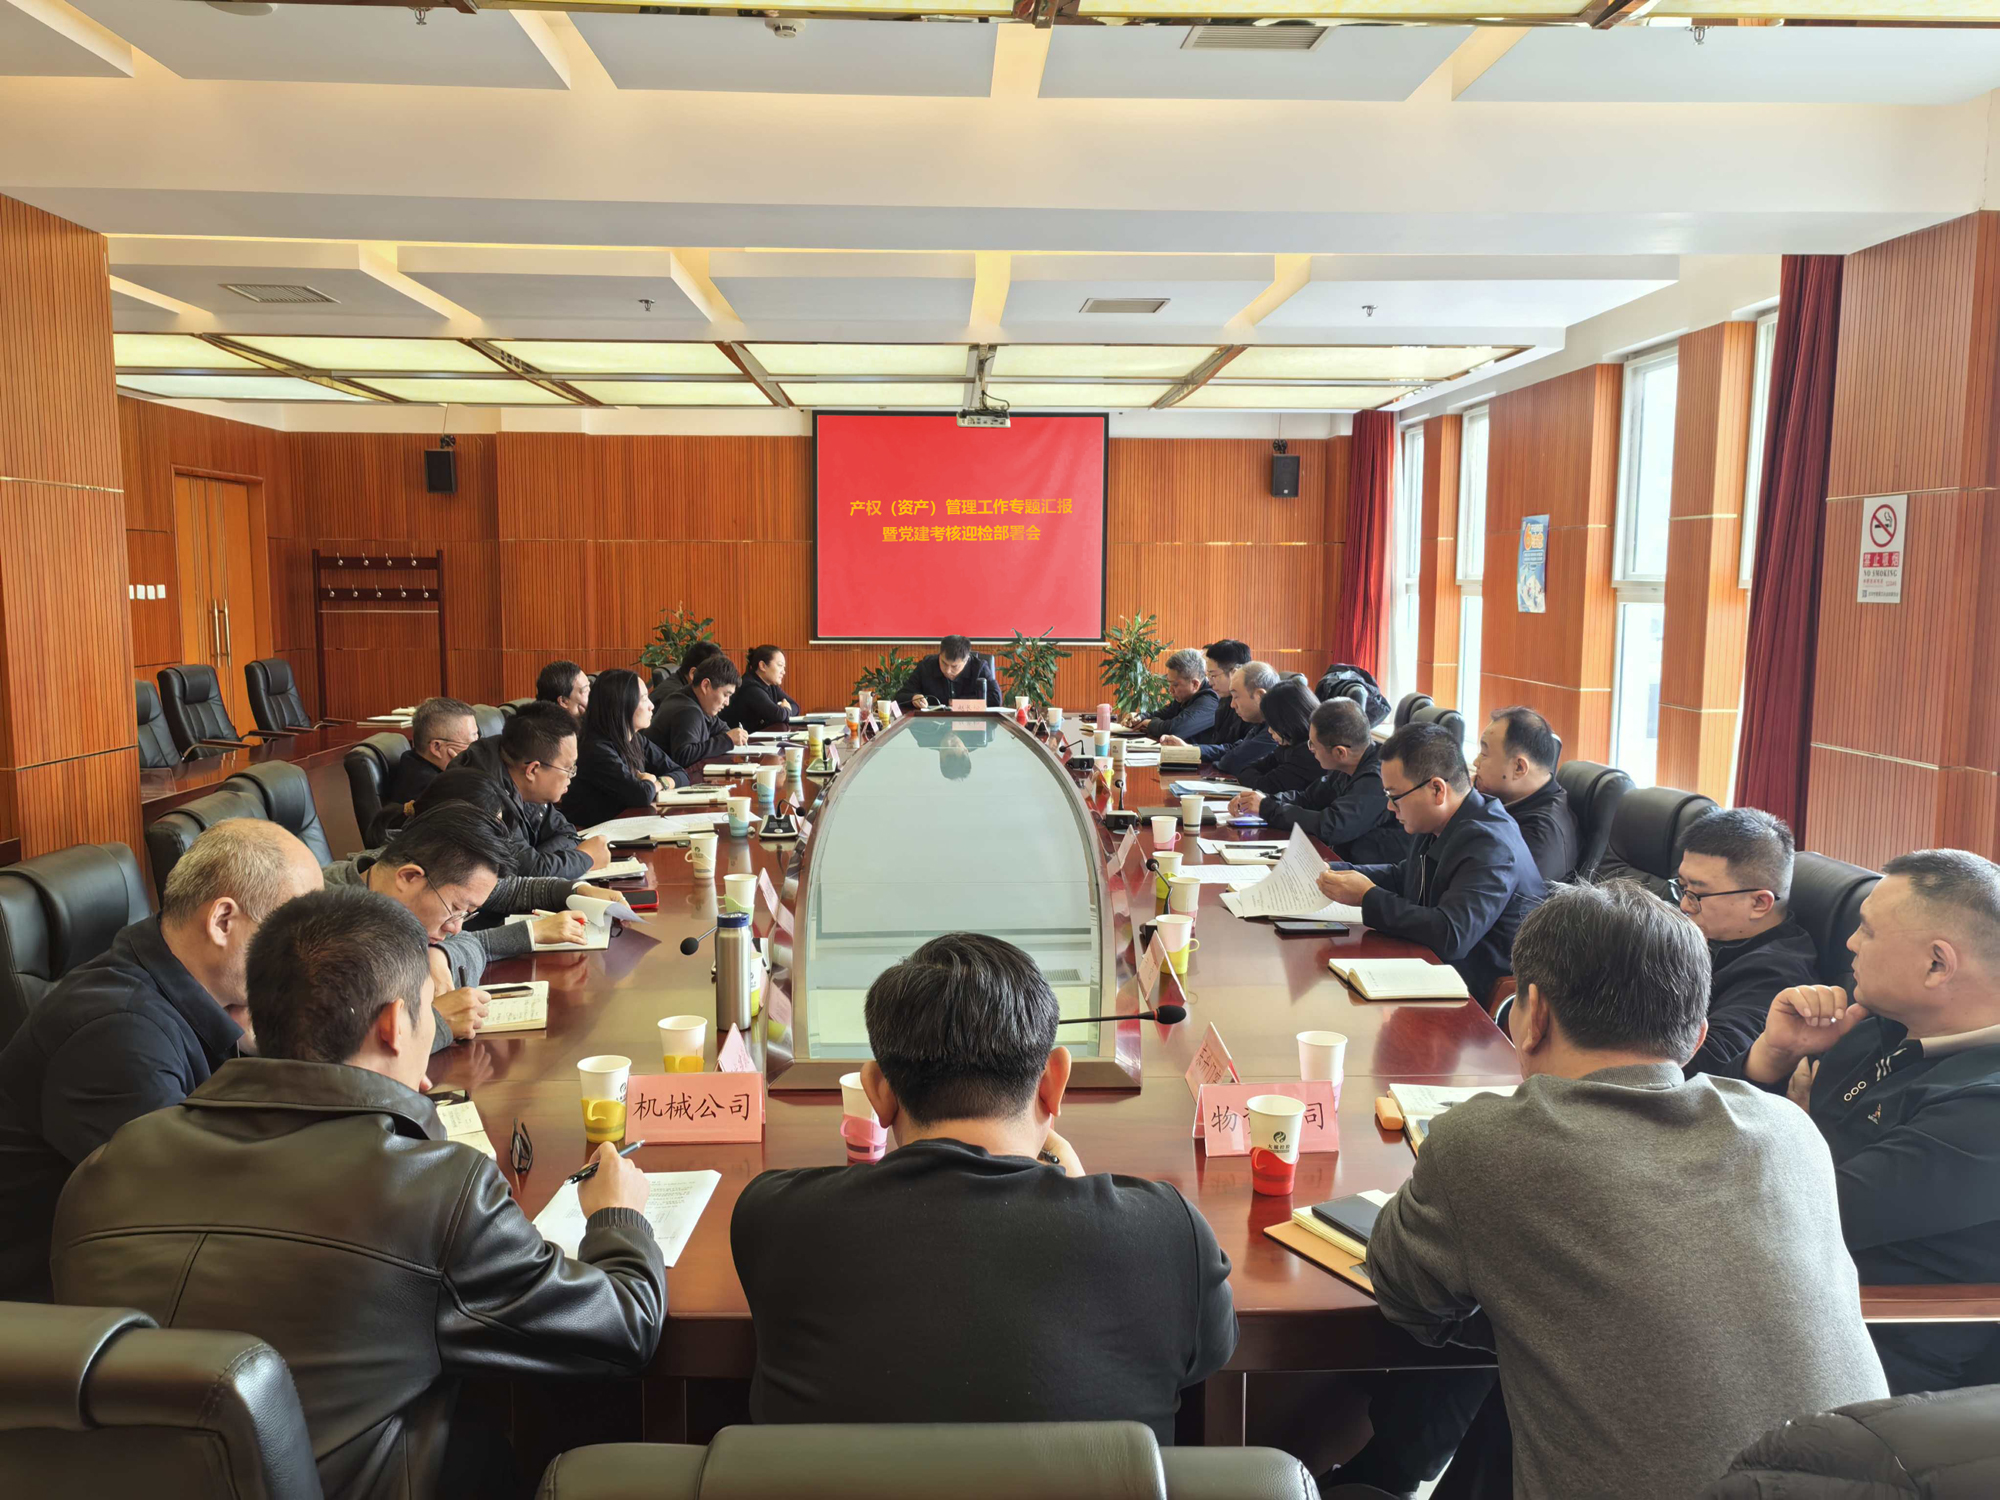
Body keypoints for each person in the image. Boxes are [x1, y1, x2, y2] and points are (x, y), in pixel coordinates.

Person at [52, 888, 667, 1500]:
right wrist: (617, 1216)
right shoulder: (435, 1189)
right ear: (395, 1025)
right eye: (428, 1011)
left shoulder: (108, 1165)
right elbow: (623, 1328)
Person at [1343, 881, 1885, 1500]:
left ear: (1533, 1015)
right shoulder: (1790, 1130)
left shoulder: (1488, 1141)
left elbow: (1406, 1295)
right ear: (1697, 1035)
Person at [731, 932, 1236, 1441]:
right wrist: (1082, 1197)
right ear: (1054, 1082)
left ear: (878, 1091)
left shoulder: (773, 1220)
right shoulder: (1168, 1237)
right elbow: (1211, 1353)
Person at [0, 820, 323, 1301]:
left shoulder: (193, 981)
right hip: (56, 1313)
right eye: (293, 936)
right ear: (222, 921)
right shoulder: (119, 1034)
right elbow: (196, 1222)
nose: (303, 960)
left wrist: (271, 1043)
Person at [1715, 849, 2000, 1394]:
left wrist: (1790, 1127)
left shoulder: (1986, 1109)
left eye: (1867, 930)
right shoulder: (1873, 1027)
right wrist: (1771, 1060)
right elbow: (1721, 1144)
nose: (1849, 943)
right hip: (1773, 1284)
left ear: (1937, 964)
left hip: (1866, 1344)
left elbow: (1799, 1215)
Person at [322, 803, 599, 1044]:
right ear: (409, 877)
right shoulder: (325, 926)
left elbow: (467, 941)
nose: (456, 927)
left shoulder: (404, 882)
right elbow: (344, 1054)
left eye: (466, 913)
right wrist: (435, 1025)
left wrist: (440, 954)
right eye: (455, 910)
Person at [1316, 723, 1545, 1003]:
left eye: (1394, 796)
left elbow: (1452, 935)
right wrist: (1336, 871)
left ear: (1437, 790)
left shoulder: (1490, 843)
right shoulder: (1440, 821)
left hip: (1475, 996)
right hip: (1431, 969)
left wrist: (1367, 897)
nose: (1390, 807)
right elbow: (1406, 875)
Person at [1673, 808, 1820, 1078]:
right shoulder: (1713, 933)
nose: (1684, 904)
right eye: (1683, 887)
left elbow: (1703, 1063)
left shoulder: (1776, 977)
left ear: (1759, 903)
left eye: (1697, 894)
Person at [1230, 698, 1408, 864]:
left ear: (1340, 752)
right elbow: (1308, 799)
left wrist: (1267, 809)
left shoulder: (1378, 779)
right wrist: (1261, 801)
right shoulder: (1347, 766)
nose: (1310, 750)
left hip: (1368, 870)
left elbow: (1332, 826)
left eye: (1313, 744)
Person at [455, 703, 607, 880]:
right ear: (533, 770)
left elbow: (567, 834)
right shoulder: (481, 796)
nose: (572, 775)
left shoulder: (518, 775)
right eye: (568, 768)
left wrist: (541, 861)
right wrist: (586, 858)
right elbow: (523, 873)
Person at [563, 666, 690, 828]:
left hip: (624, 826)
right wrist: (650, 783)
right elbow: (641, 795)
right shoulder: (596, 749)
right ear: (622, 705)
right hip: (594, 834)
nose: (651, 705)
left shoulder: (634, 738)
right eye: (643, 699)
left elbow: (681, 774)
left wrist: (657, 783)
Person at [1471, 706, 1577, 884]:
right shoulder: (1513, 799)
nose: (1476, 762)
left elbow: (1491, 890)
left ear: (1519, 768)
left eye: (1484, 754)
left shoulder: (1540, 836)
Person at [375, 696, 478, 841]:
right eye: (471, 743)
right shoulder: (430, 790)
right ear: (437, 747)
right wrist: (464, 777)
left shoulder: (415, 760)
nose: (477, 750)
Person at [1167, 661, 1279, 775]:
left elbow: (1231, 762)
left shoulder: (1277, 730)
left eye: (1236, 697)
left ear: (1259, 696)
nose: (1232, 705)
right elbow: (1233, 749)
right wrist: (1189, 750)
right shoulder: (1262, 723)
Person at [651, 652, 749, 765]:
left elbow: (722, 729)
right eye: (725, 695)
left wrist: (728, 737)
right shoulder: (687, 710)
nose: (727, 703)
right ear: (705, 685)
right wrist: (727, 740)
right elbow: (684, 756)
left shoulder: (698, 701)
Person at [1234, 678, 1321, 796]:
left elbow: (1264, 786)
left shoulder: (1309, 753)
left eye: (1273, 724)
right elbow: (1245, 769)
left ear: (1289, 720)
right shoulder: (1287, 746)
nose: (1269, 730)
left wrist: (1255, 777)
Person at [1133, 648, 1219, 740]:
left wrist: (1150, 724)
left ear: (1195, 684)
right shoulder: (1185, 696)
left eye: (1175, 685)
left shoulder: (1210, 700)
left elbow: (1175, 730)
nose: (1170, 690)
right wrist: (1140, 717)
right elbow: (1165, 714)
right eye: (1169, 683)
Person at [899, 634, 1002, 710]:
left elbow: (996, 699)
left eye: (954, 666)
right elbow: (901, 696)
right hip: (934, 727)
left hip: (969, 727)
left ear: (966, 660)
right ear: (940, 654)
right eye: (944, 663)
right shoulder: (926, 667)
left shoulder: (979, 668)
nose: (948, 670)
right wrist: (913, 698)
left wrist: (958, 703)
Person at [727, 645, 803, 734]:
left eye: (784, 667)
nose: (783, 672)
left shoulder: (771, 685)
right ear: (763, 666)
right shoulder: (750, 687)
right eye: (780, 665)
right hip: (744, 740)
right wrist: (786, 708)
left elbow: (795, 706)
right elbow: (778, 715)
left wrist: (785, 710)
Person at [1189, 639, 1252, 746]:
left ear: (1234, 673)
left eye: (1213, 675)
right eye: (1208, 676)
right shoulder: (1224, 700)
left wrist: (1192, 750)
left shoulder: (1253, 706)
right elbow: (1218, 744)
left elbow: (1239, 749)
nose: (1210, 682)